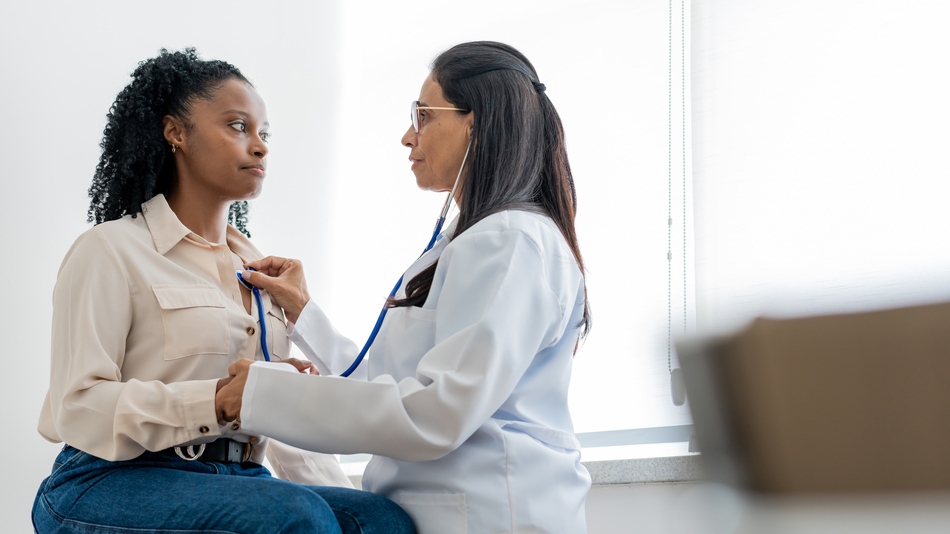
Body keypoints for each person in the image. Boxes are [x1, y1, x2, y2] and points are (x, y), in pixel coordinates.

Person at [32, 49, 415, 534]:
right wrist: (215, 400)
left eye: (264, 133)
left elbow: (284, 431)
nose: (260, 147)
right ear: (176, 132)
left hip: (239, 476)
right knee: (296, 516)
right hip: (110, 478)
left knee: (381, 520)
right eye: (238, 126)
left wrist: (344, 506)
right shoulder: (109, 250)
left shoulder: (260, 273)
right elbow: (77, 407)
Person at [216, 41, 592, 533]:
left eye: (423, 116)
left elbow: (436, 412)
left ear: (475, 123)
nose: (407, 137)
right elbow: (386, 385)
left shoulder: (512, 242)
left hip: (490, 515)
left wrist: (264, 394)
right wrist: (303, 311)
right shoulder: (476, 240)